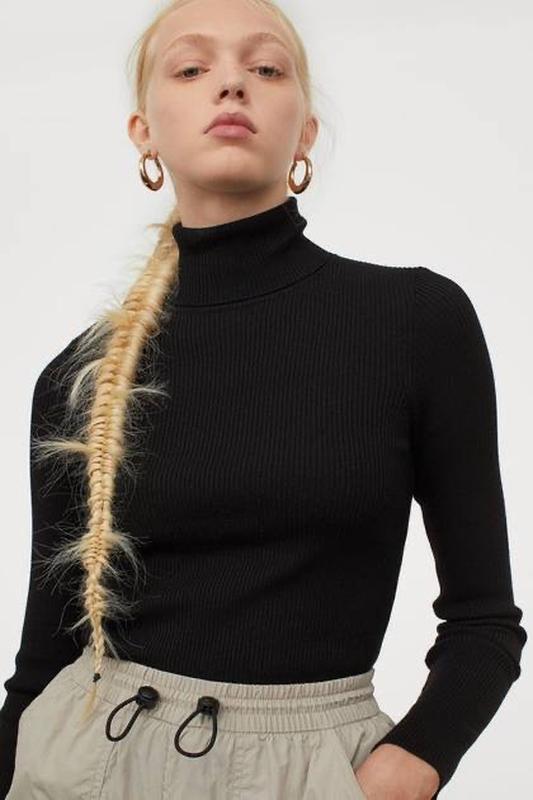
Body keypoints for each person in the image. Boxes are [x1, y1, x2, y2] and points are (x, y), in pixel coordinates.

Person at [0, 0, 527, 798]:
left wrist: (407, 767)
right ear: (143, 132)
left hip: (314, 771)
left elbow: (484, 624)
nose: (230, 84)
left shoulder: (414, 323)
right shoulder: (78, 376)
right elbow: (43, 660)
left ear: (305, 131)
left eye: (265, 67)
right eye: (191, 67)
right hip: (86, 762)